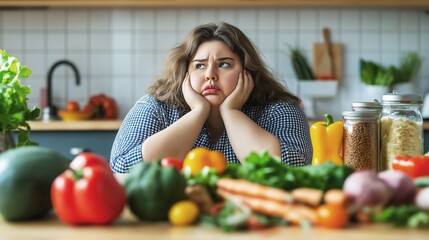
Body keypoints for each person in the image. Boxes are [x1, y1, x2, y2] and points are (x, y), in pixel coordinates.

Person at [110, 22, 312, 173]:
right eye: (200, 65)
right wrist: (198, 113)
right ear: (185, 73)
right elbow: (121, 169)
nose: (210, 75)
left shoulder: (281, 110)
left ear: (247, 71)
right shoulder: (154, 107)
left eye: (224, 64)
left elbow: (295, 168)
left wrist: (231, 112)